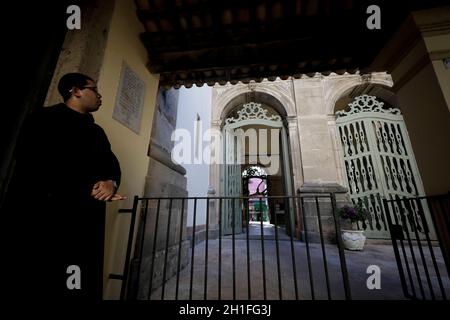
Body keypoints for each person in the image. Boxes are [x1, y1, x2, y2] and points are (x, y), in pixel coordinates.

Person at [5, 72, 125, 299]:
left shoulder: (97, 132)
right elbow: (33, 164)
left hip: (83, 223)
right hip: (44, 217)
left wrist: (110, 182)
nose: (100, 96)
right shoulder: (41, 120)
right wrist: (84, 187)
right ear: (76, 91)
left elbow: (110, 164)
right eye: (95, 89)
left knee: (76, 283)